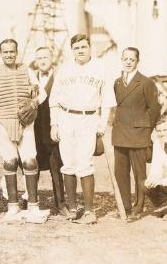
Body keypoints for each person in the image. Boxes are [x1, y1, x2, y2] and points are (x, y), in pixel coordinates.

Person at [49, 34, 116, 224]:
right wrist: (54, 123)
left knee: (85, 164)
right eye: (77, 47)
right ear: (72, 50)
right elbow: (54, 99)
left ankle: (89, 211)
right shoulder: (64, 68)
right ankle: (72, 208)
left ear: (90, 48)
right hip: (66, 117)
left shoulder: (100, 67)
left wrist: (102, 123)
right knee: (68, 163)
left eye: (84, 47)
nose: (80, 50)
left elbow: (108, 99)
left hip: (88, 118)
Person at [0, 39, 49, 223]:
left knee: (29, 161)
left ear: (17, 51)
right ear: (0, 53)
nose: (9, 55)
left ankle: (33, 206)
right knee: (10, 161)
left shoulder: (26, 69)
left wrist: (33, 103)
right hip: (5, 123)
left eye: (12, 51)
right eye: (5, 52)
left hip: (25, 123)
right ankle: (13, 206)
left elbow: (41, 93)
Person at [112, 47, 161, 222]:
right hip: (120, 134)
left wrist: (144, 127)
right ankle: (125, 206)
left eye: (132, 59)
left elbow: (154, 109)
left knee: (140, 174)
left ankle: (138, 208)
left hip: (138, 135)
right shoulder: (117, 82)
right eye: (125, 59)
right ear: (121, 60)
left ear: (137, 61)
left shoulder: (146, 83)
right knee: (120, 173)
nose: (128, 62)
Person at [33, 46, 68, 217]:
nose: (42, 60)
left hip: (54, 131)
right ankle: (30, 201)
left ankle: (60, 204)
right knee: (32, 168)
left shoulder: (61, 77)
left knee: (56, 168)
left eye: (45, 57)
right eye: (39, 58)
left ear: (51, 58)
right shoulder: (31, 77)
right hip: (34, 133)